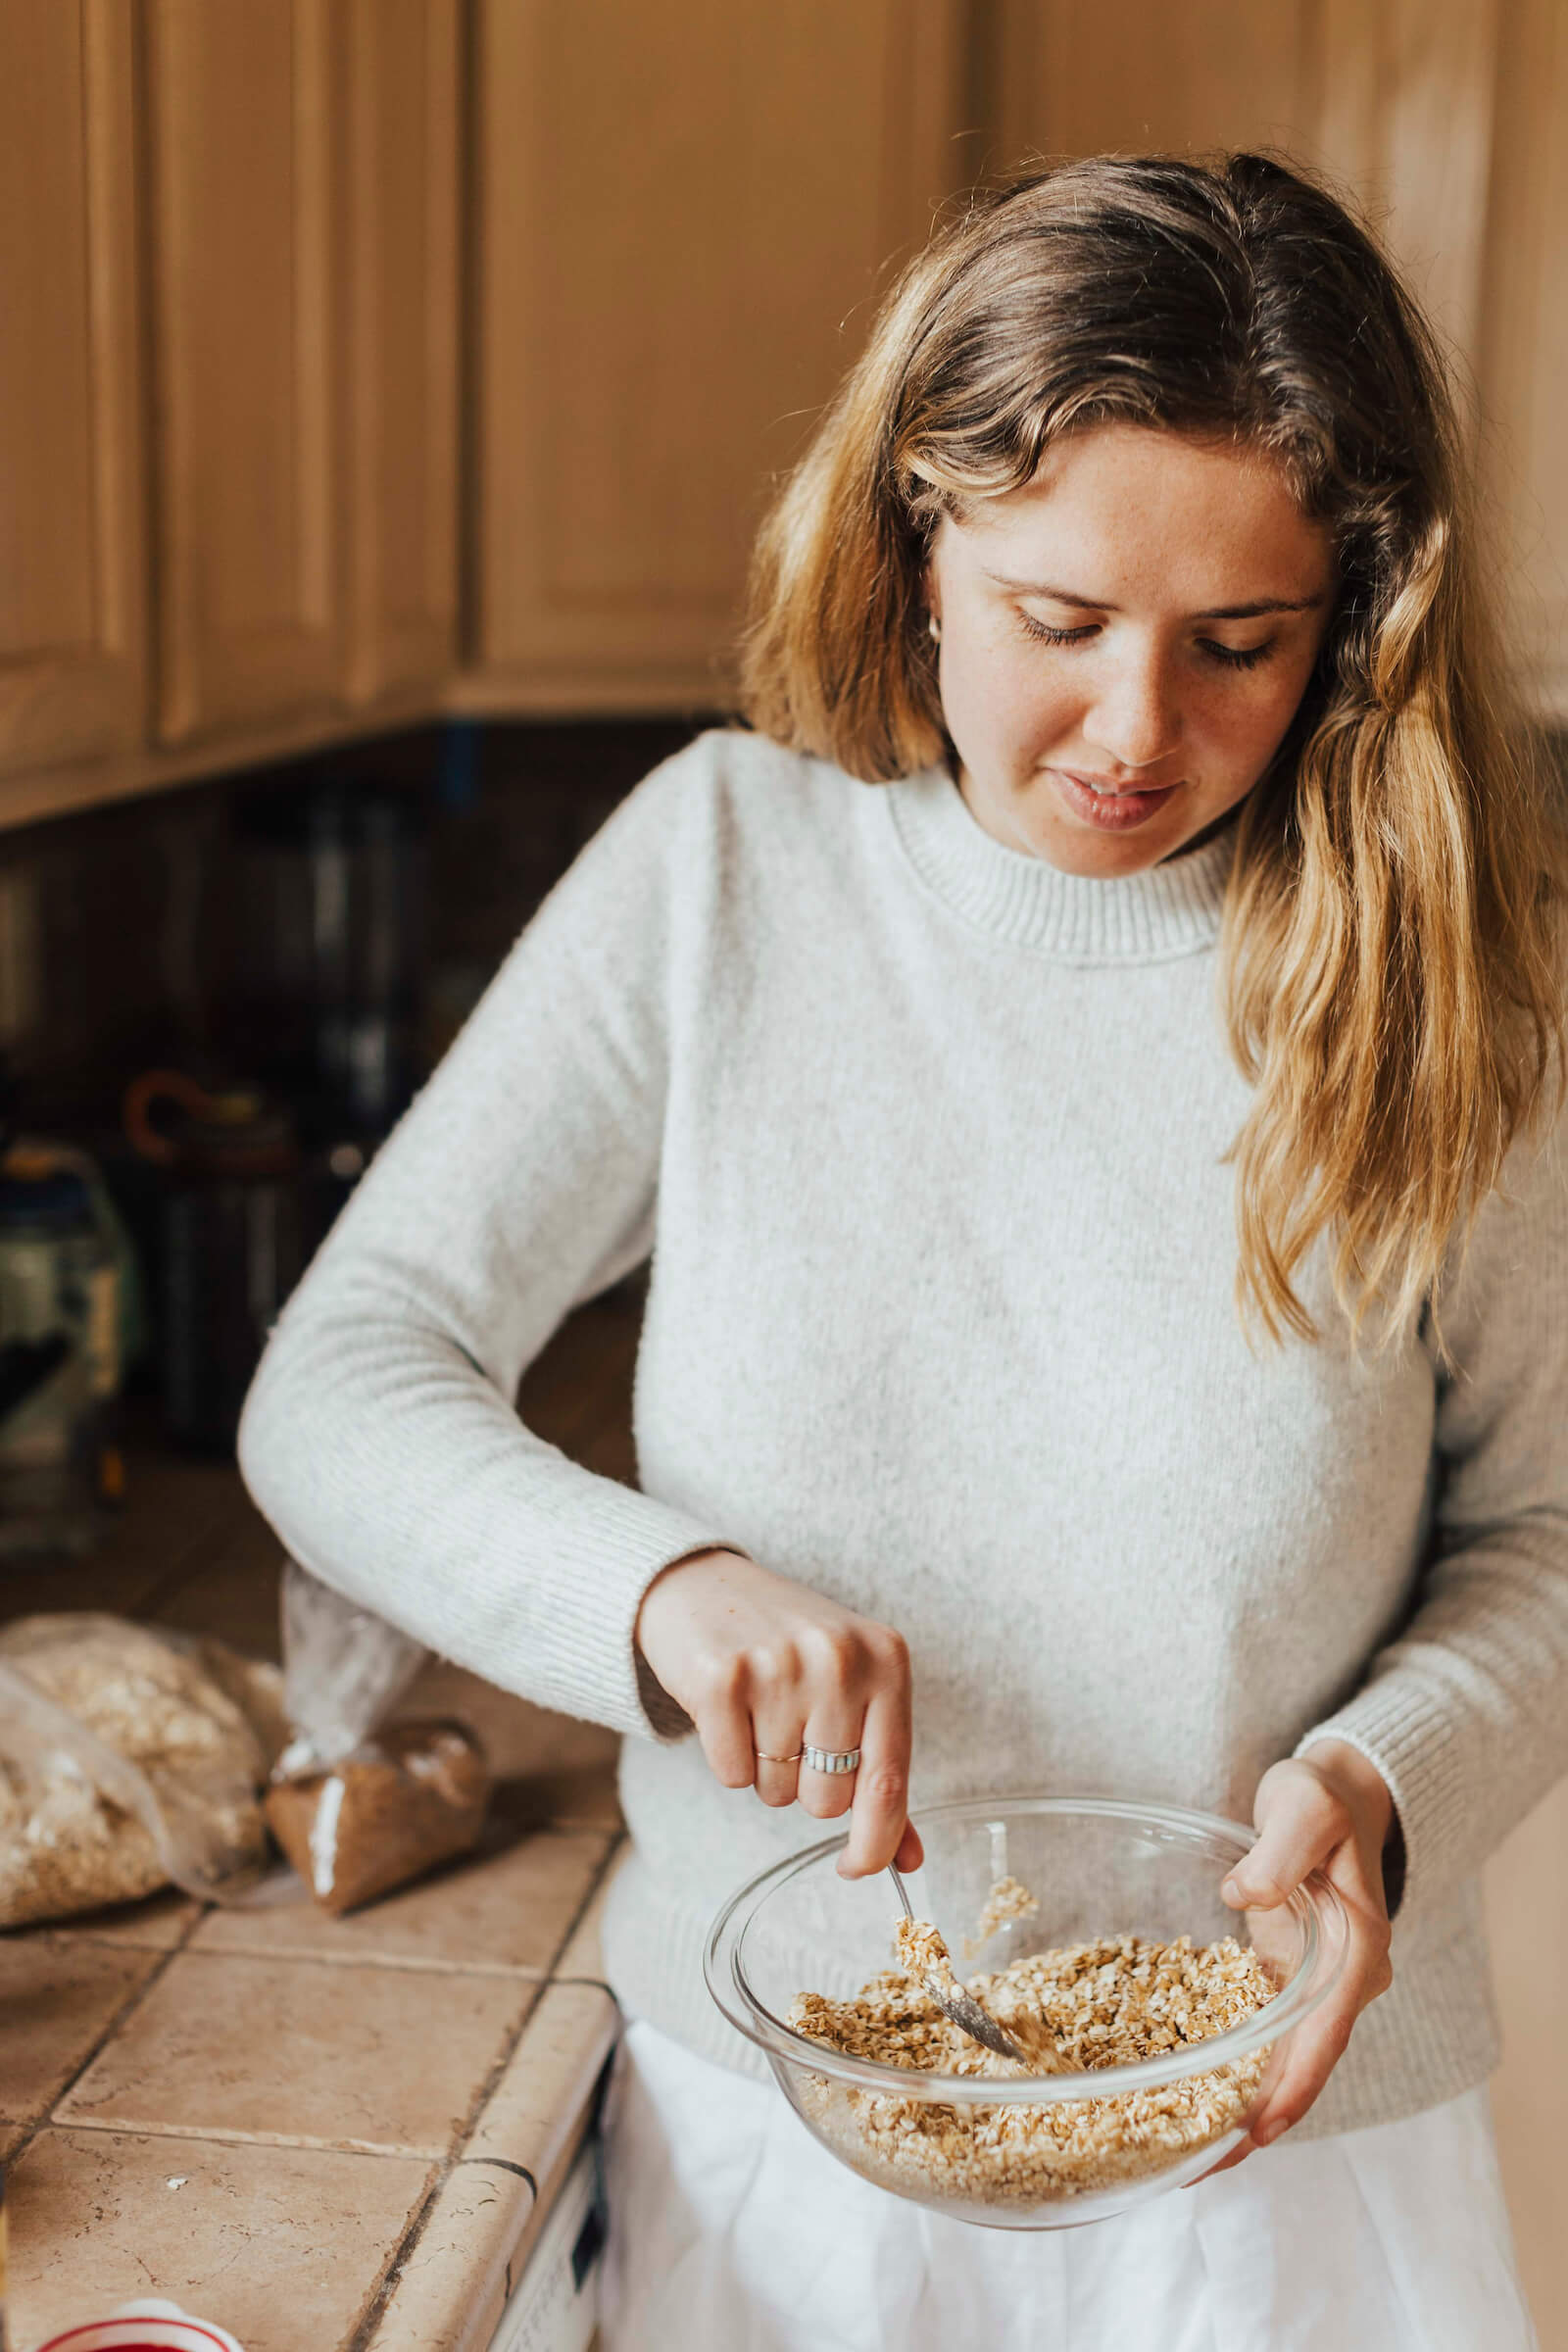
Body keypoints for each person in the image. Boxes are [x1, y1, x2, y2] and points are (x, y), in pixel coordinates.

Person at [238, 153, 1565, 2348]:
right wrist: (649, 1595)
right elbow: (346, 1374)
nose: (1139, 732)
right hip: (796, 2135)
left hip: (1281, 2145)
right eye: (1060, 622)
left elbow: (1540, 1528)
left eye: (1239, 643)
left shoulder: (1449, 994)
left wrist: (1384, 1780)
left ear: (1350, 625)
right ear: (914, 548)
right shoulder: (721, 879)